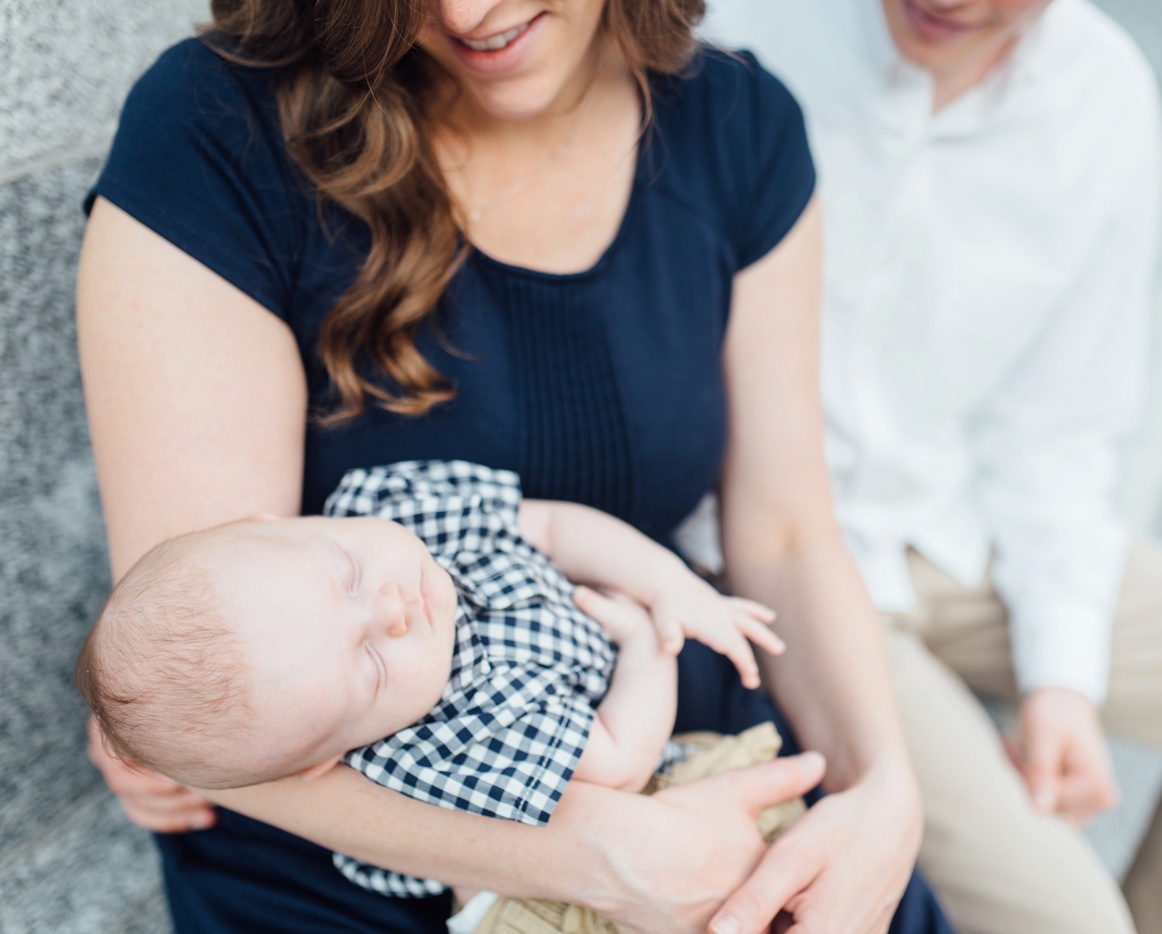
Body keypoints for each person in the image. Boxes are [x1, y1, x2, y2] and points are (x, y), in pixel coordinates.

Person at [75, 0, 950, 932]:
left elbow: (784, 531)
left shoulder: (740, 124)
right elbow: (215, 707)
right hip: (348, 857)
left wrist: (884, 793)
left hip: (670, 727)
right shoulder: (216, 126)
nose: (468, 13)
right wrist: (602, 859)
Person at [702, 1, 1162, 932]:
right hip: (767, 556)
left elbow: (1058, 430)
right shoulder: (745, 36)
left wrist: (1063, 673)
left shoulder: (1099, 93)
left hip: (945, 525)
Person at [77, 458, 792, 927]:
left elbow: (545, 523)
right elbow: (617, 762)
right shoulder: (437, 741)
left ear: (285, 525)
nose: (389, 608)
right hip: (540, 902)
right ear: (323, 761)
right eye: (369, 663)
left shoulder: (392, 507)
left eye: (345, 575)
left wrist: (667, 583)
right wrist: (645, 645)